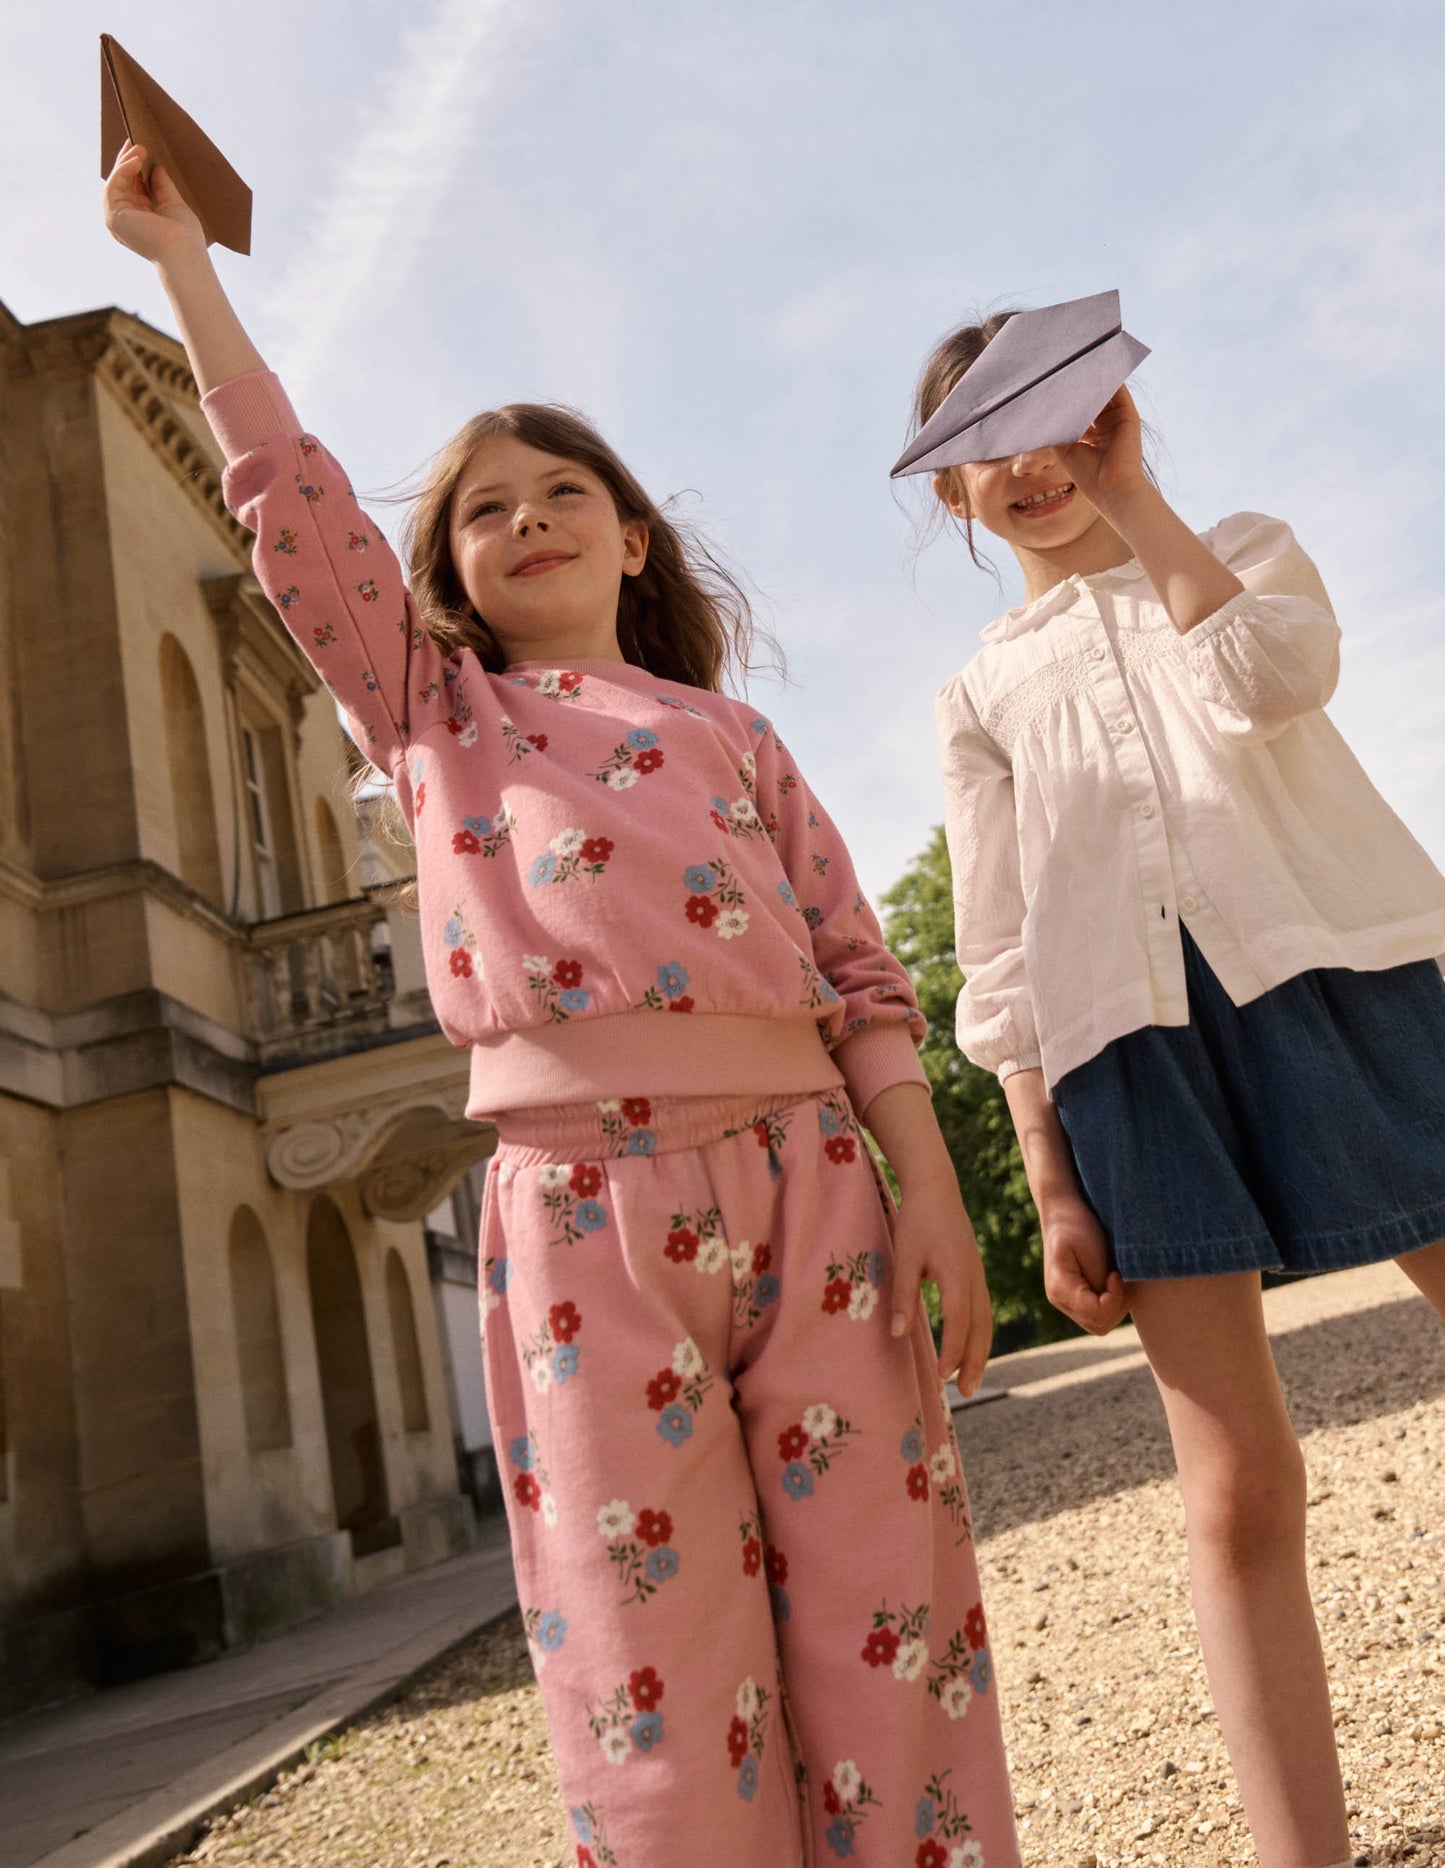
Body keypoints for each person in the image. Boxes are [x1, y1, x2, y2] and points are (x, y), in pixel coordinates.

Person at [103, 143, 1022, 1867]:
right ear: (443, 566)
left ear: (631, 530)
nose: (523, 517)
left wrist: (932, 1194)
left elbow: (860, 976)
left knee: (880, 1615)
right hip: (580, 1212)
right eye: (482, 506)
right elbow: (291, 517)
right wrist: (182, 270)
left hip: (817, 1183)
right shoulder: (429, 712)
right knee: (647, 1657)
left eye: (559, 491)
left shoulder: (733, 737)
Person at [917, 306, 1445, 1868]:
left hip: (1341, 975)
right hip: (1126, 1061)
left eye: (1056, 415)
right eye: (981, 439)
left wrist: (1140, 506)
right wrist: (1050, 1173)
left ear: (1110, 416)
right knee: (1231, 1485)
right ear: (946, 487)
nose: (1026, 460)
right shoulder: (974, 695)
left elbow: (1281, 678)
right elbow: (996, 950)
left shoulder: (1232, 545)